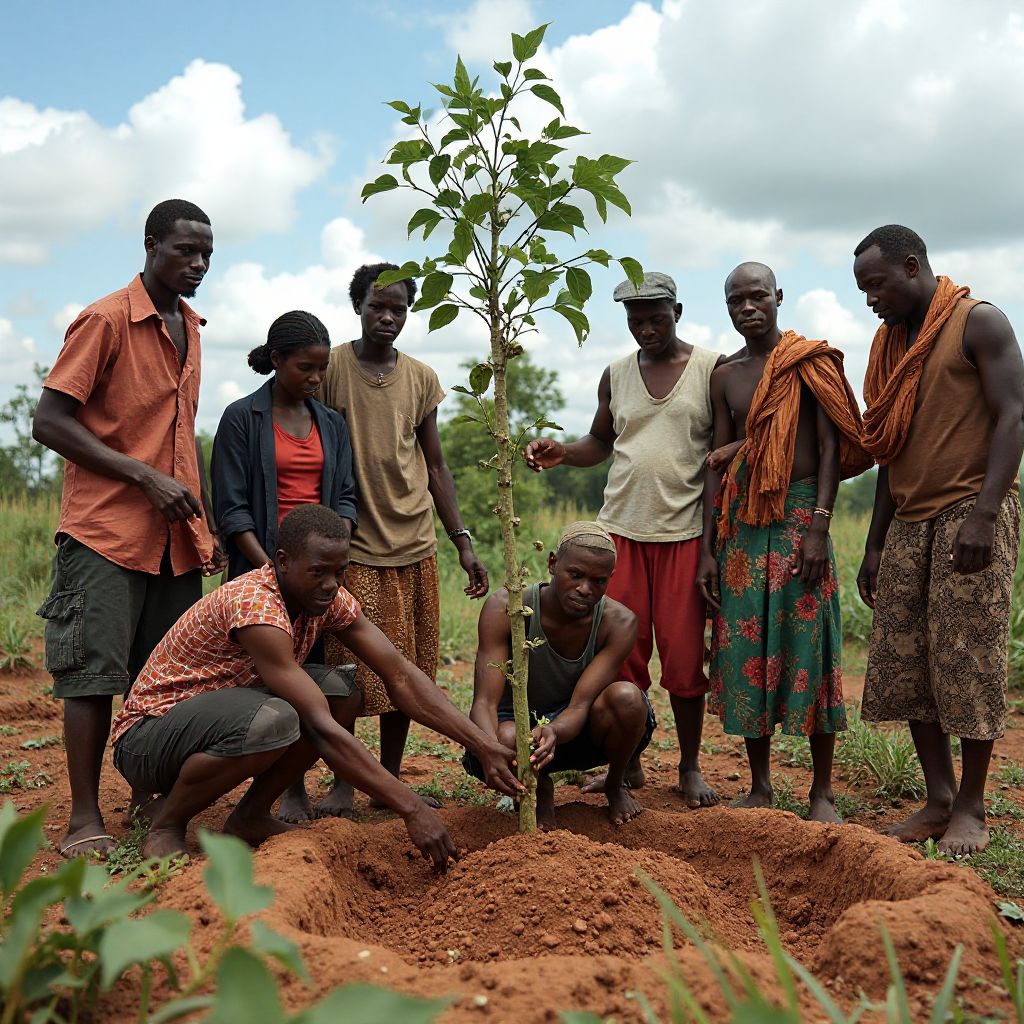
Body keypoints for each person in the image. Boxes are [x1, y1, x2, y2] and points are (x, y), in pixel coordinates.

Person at [109, 504, 520, 869]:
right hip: (149, 738)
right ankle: (166, 824)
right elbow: (320, 728)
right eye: (318, 572)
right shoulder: (256, 603)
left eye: (340, 572)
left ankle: (250, 816)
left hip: (212, 719)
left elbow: (399, 674)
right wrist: (411, 809)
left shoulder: (326, 598)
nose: (331, 584)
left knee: (340, 689)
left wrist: (482, 746)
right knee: (279, 718)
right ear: (283, 561)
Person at [32, 199, 226, 859]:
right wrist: (144, 479)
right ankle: (84, 817)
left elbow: (179, 434)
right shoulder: (106, 319)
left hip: (175, 542)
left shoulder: (192, 327)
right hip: (105, 536)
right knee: (92, 676)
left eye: (206, 254)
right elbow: (51, 421)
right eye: (185, 252)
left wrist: (207, 519)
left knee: (161, 680)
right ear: (150, 246)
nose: (198, 264)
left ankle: (148, 801)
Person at [853, 225, 1024, 856]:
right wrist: (874, 543)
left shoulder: (979, 323)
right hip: (908, 519)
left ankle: (974, 807)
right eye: (863, 289)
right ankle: (939, 798)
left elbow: (1015, 415)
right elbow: (887, 449)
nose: (871, 299)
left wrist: (984, 515)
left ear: (912, 264)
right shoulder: (890, 345)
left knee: (969, 662)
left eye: (877, 284)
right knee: (909, 664)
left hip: (968, 512)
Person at [299, 262, 487, 820]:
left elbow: (435, 464)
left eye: (399, 308)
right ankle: (344, 783)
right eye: (377, 306)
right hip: (353, 544)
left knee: (410, 666)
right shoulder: (330, 368)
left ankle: (393, 777)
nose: (388, 317)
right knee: (351, 668)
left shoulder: (422, 377)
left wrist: (462, 541)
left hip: (415, 541)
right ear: (357, 306)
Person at [525, 272, 719, 808]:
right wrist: (563, 451)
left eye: (656, 318)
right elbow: (601, 442)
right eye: (636, 321)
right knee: (624, 656)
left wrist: (713, 544)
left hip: (684, 533)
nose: (646, 329)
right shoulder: (615, 374)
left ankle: (690, 765)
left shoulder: (710, 369)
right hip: (621, 532)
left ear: (677, 311)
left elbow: (720, 457)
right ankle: (627, 764)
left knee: (682, 662)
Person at [698, 262, 870, 822]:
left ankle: (822, 792)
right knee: (744, 649)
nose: (747, 308)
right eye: (735, 300)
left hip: (800, 518)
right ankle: (761, 785)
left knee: (810, 646)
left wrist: (819, 527)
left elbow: (828, 451)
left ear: (778, 297)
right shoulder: (725, 376)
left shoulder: (808, 364)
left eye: (756, 297)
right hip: (743, 524)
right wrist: (707, 549)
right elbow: (715, 466)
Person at [465, 521, 654, 829]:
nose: (584, 589)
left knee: (629, 699)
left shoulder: (619, 622)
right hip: (510, 735)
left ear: (610, 580)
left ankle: (615, 784)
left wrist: (553, 731)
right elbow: (484, 703)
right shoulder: (507, 607)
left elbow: (581, 704)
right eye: (575, 575)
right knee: (510, 734)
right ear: (553, 563)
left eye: (598, 581)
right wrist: (492, 754)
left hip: (573, 731)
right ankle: (538, 789)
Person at [211, 310, 357, 579]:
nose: (315, 378)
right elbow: (233, 510)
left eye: (323, 367)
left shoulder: (333, 424)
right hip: (257, 571)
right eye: (305, 368)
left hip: (320, 575)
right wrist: (271, 572)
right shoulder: (241, 418)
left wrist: (333, 558)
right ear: (277, 359)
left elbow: (345, 499)